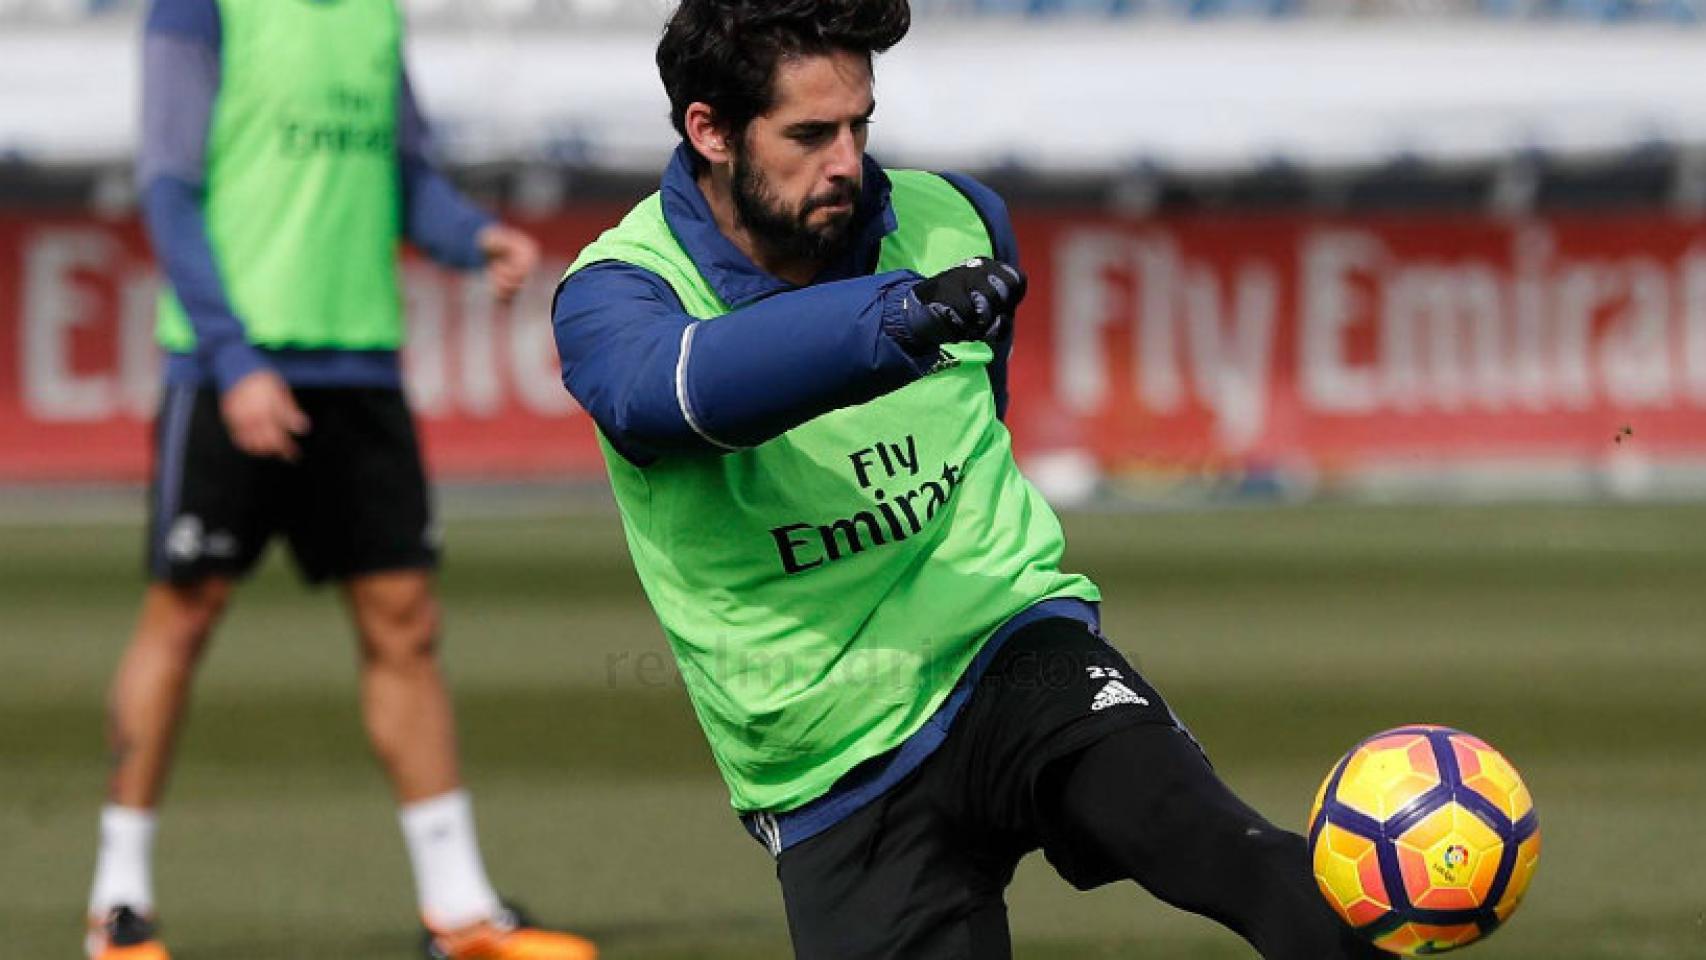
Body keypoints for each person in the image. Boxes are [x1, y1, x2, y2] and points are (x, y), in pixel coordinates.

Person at [550, 1, 1393, 958]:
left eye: (860, 125)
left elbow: (983, 417)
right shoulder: (620, 289)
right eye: (811, 135)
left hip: (1011, 649)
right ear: (709, 130)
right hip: (827, 755)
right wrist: (894, 318)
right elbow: (662, 396)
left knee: (1226, 850)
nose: (846, 162)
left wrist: (906, 313)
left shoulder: (959, 218)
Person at [85, 2, 598, 959]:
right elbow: (169, 189)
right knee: (183, 615)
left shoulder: (372, 13)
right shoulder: (198, 9)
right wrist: (234, 359)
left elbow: (405, 178)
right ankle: (118, 906)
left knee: (406, 624)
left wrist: (473, 236)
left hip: (360, 367)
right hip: (230, 369)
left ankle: (458, 911)